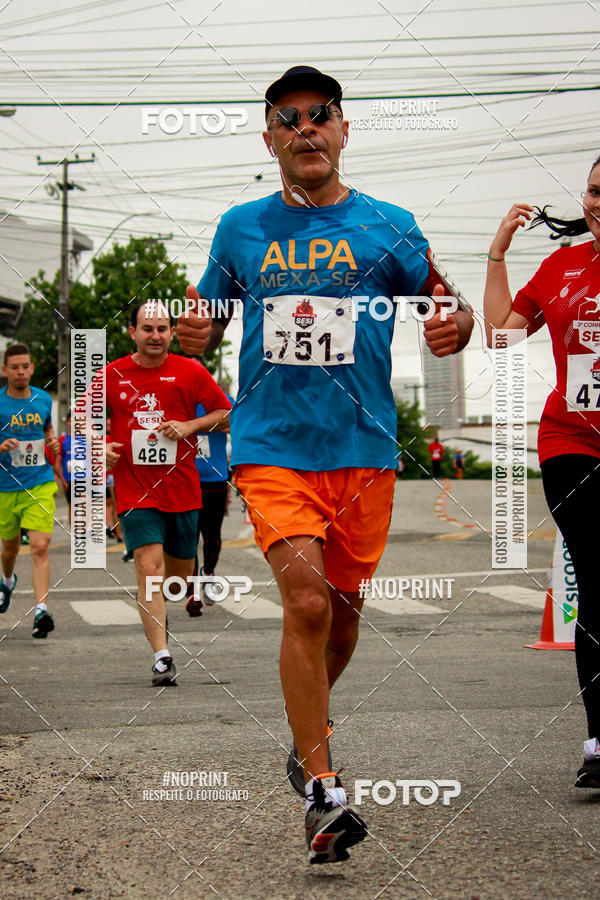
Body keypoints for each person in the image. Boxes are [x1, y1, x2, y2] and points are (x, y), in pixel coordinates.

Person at [178, 65, 474, 863]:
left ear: (344, 130)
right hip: (272, 448)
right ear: (269, 138)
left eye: (321, 115)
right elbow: (204, 310)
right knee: (306, 605)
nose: (306, 128)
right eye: (289, 118)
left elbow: (447, 301)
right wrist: (196, 325)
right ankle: (323, 790)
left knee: (340, 623)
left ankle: (306, 735)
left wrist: (457, 323)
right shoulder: (241, 227)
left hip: (364, 455)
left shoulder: (392, 225)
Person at [483, 154, 600, 789]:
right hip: (570, 443)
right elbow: (502, 337)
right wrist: (498, 254)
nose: (598, 203)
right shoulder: (561, 267)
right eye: (593, 190)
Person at [100, 302, 231, 685]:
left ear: (172, 332)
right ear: (132, 333)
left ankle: (168, 602)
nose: (154, 335)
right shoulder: (110, 375)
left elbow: (227, 414)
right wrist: (99, 446)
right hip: (136, 493)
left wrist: (191, 425)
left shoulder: (190, 371)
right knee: (148, 568)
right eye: (146, 328)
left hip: (183, 492)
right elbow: (85, 420)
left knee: (175, 582)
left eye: (161, 328)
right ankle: (162, 656)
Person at [0, 343, 60, 637]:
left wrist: (52, 441)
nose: (21, 371)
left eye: (25, 366)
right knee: (9, 548)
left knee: (39, 545)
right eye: (15, 367)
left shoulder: (43, 399)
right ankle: (8, 580)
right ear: (4, 370)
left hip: (39, 481)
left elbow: (47, 429)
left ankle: (40, 611)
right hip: (5, 487)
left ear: (32, 368)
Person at [185, 393, 233, 617]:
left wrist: (193, 427)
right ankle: (194, 589)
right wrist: (213, 424)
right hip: (185, 479)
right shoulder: (182, 400)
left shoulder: (222, 400)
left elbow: (235, 423)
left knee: (212, 534)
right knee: (189, 536)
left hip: (215, 478)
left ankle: (209, 573)